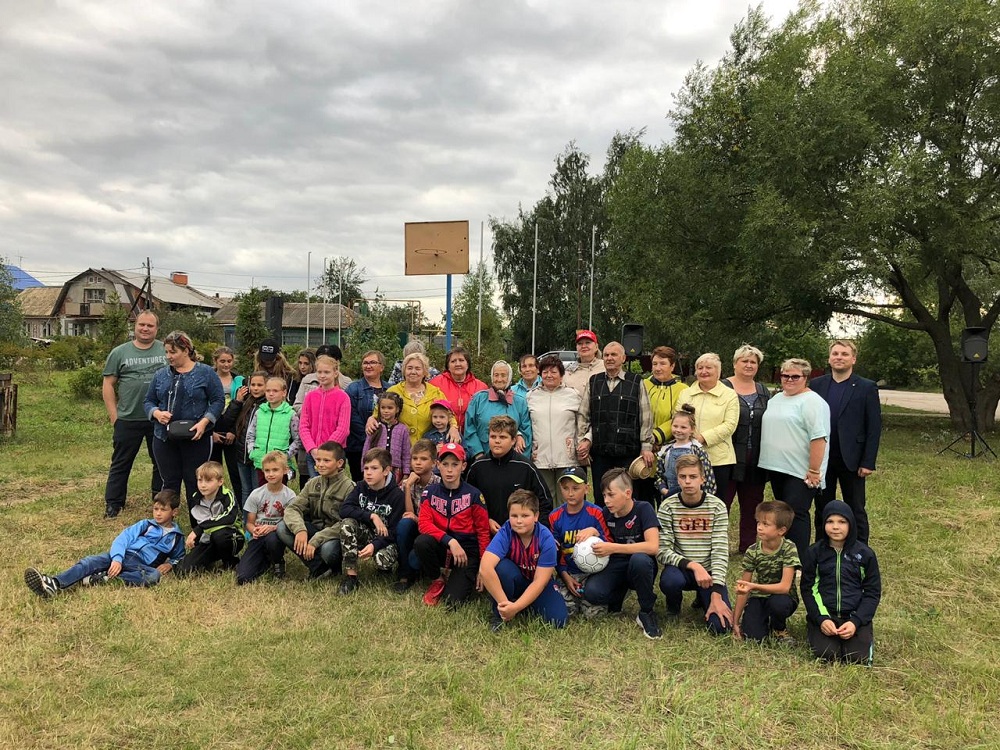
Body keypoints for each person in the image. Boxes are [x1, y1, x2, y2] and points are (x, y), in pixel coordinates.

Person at [25, 489, 184, 596]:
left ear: (174, 512)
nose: (158, 513)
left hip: (140, 565)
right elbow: (123, 539)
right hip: (122, 555)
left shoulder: (176, 537)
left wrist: (170, 564)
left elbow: (180, 557)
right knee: (90, 561)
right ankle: (54, 583)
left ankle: (105, 578)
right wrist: (117, 558)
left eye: (163, 510)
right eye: (155, 509)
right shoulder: (145, 525)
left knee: (153, 576)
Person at [143, 330, 225, 520]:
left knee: (194, 481)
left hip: (197, 438)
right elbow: (148, 401)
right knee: (169, 481)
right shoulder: (161, 374)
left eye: (173, 352)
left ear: (186, 350)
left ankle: (198, 525)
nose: (168, 357)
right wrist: (156, 413)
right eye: (166, 352)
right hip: (164, 437)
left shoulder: (205, 373)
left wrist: (205, 422)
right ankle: (165, 525)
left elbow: (218, 400)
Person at [810, 340, 882, 544]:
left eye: (844, 354)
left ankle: (860, 550)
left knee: (856, 507)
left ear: (853, 359)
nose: (839, 357)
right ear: (829, 358)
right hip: (823, 457)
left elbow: (873, 427)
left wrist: (868, 461)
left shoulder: (866, 387)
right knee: (822, 506)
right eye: (835, 353)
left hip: (853, 458)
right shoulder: (817, 385)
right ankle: (823, 549)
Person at [758, 358, 831, 557]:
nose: (789, 379)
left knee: (797, 514)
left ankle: (799, 560)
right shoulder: (776, 399)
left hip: (801, 470)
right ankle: (784, 554)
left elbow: (819, 437)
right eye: (785, 375)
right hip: (777, 468)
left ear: (805, 378)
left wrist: (814, 470)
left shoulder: (813, 401)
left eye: (795, 376)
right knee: (783, 514)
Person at [656, 455, 734, 636]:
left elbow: (720, 550)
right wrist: (693, 565)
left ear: (703, 478)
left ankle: (704, 596)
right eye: (683, 477)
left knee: (721, 628)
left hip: (709, 572)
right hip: (681, 568)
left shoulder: (717, 506)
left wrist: (716, 591)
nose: (688, 482)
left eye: (693, 477)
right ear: (677, 478)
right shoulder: (668, 506)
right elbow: (662, 550)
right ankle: (673, 607)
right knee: (670, 581)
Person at [581, 468, 662, 640]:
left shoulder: (643, 509)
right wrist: (592, 530)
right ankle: (618, 594)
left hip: (641, 565)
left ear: (627, 493)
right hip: (616, 565)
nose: (606, 501)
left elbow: (653, 547)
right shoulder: (606, 513)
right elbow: (600, 535)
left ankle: (646, 612)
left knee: (639, 560)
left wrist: (613, 547)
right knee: (592, 593)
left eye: (611, 495)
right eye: (604, 496)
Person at [101, 310, 166, 518]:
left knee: (161, 462)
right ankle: (114, 503)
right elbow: (108, 384)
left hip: (158, 417)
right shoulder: (119, 353)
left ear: (157, 328)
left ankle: (161, 502)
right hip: (128, 418)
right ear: (134, 326)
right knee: (121, 463)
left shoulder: (166, 350)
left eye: (150, 326)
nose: (145, 329)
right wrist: (114, 417)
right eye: (142, 325)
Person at [800, 500, 881, 664]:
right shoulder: (814, 553)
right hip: (826, 615)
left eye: (842, 522)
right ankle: (816, 628)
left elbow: (871, 593)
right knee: (827, 655)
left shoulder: (865, 554)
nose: (835, 527)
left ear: (851, 524)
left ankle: (861, 633)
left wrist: (856, 621)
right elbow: (808, 589)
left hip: (854, 616)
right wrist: (821, 618)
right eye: (830, 521)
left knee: (857, 658)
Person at [414, 442, 491, 607]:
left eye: (455, 465)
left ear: (463, 466)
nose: (449, 470)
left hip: (466, 553)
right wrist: (450, 541)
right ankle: (438, 579)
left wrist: (484, 569)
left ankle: (458, 577)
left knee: (453, 603)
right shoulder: (430, 492)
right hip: (444, 546)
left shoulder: (474, 495)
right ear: (438, 465)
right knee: (422, 541)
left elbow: (483, 532)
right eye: (445, 464)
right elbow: (423, 524)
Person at [480, 489, 568, 632]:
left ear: (536, 516)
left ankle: (522, 604)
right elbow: (485, 569)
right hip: (516, 579)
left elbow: (540, 582)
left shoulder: (546, 539)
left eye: (525, 515)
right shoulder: (506, 531)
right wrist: (505, 606)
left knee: (558, 621)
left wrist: (516, 608)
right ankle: (499, 615)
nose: (519, 521)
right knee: (501, 569)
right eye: (514, 515)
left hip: (537, 583)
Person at [585, 341, 655, 502]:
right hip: (600, 452)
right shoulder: (593, 381)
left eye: (614, 355)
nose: (609, 358)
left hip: (628, 452)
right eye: (606, 355)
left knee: (628, 496)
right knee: (601, 496)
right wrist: (584, 441)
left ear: (623, 358)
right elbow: (584, 414)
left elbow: (645, 417)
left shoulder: (636, 382)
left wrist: (646, 446)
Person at [276, 441, 354, 579]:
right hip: (314, 530)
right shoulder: (313, 482)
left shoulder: (349, 488)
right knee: (282, 527)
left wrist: (317, 539)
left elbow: (346, 523)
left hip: (334, 536)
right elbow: (293, 508)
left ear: (340, 463)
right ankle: (318, 568)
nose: (320, 464)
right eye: (318, 460)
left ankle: (334, 567)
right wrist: (300, 530)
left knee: (328, 550)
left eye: (326, 460)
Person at [721, 344, 771, 553]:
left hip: (755, 456)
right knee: (722, 503)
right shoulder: (722, 387)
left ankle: (748, 546)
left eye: (753, 362)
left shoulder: (763, 391)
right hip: (728, 455)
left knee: (752, 504)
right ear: (734, 364)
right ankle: (718, 546)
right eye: (745, 361)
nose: (749, 365)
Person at [337, 448, 406, 594]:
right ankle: (351, 577)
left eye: (374, 468)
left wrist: (375, 546)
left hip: (386, 539)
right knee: (347, 523)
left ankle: (384, 570)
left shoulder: (397, 495)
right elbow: (344, 510)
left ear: (386, 471)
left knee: (382, 560)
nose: (368, 472)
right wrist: (372, 516)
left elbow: (394, 531)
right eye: (366, 468)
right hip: (366, 532)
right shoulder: (361, 486)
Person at [466, 415, 552, 532]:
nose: (497, 441)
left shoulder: (526, 467)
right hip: (486, 533)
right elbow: (467, 502)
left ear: (513, 440)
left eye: (502, 437)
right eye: (493, 436)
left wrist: (537, 534)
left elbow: (544, 503)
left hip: (521, 534)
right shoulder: (477, 467)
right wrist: (486, 520)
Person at [732, 500, 799, 644]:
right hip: (760, 597)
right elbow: (744, 588)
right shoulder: (752, 551)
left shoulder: (789, 548)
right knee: (753, 638)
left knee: (778, 604)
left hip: (783, 597)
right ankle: (761, 621)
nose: (759, 528)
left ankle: (779, 629)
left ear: (781, 530)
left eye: (766, 524)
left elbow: (784, 587)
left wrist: (754, 586)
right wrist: (735, 622)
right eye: (758, 523)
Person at [526, 355, 591, 505]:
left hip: (567, 458)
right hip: (540, 459)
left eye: (554, 372)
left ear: (562, 375)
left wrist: (587, 439)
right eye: (545, 372)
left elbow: (587, 420)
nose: (549, 375)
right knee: (545, 501)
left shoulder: (573, 395)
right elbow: (524, 424)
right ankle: (548, 529)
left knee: (568, 500)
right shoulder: (531, 396)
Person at [548, 467, 610, 619]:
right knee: (567, 611)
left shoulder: (596, 513)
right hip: (568, 572)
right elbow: (556, 551)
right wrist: (565, 576)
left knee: (593, 615)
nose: (570, 493)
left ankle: (593, 596)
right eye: (565, 488)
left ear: (586, 488)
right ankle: (572, 594)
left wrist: (595, 532)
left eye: (575, 488)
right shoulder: (555, 516)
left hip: (593, 573)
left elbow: (609, 542)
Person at [676, 352, 739, 494]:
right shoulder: (686, 394)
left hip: (718, 460)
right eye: (700, 368)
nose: (703, 371)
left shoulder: (729, 395)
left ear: (718, 371)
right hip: (688, 456)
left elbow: (730, 425)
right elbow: (678, 418)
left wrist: (703, 438)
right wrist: (688, 437)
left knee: (715, 501)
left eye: (708, 368)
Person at [236, 451, 296, 585]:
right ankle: (265, 561)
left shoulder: (290, 496)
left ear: (285, 470)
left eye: (275, 470)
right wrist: (254, 531)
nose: (271, 474)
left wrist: (273, 528)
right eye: (267, 470)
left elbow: (290, 522)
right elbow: (249, 523)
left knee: (273, 539)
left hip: (276, 535)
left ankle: (278, 561)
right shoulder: (256, 494)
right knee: (243, 577)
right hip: (258, 537)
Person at [174, 461, 244, 576]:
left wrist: (199, 529)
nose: (203, 485)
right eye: (200, 480)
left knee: (219, 535)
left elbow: (229, 518)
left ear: (220, 482)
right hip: (207, 540)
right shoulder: (195, 498)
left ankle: (230, 561)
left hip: (231, 537)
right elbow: (196, 522)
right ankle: (209, 558)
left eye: (208, 480)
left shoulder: (227, 496)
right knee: (183, 570)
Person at [373, 352, 458, 447]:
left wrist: (454, 428)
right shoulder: (393, 391)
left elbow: (449, 414)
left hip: (427, 449)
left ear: (425, 372)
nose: (413, 372)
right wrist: (371, 419)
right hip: (398, 446)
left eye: (418, 369)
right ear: (404, 371)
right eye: (409, 368)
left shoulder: (435, 393)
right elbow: (378, 413)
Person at [214, 371, 267, 508]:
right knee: (245, 490)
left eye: (260, 385)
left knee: (257, 489)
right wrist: (237, 401)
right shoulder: (246, 401)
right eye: (253, 384)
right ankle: (245, 520)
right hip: (241, 453)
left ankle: (256, 519)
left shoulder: (267, 405)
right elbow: (231, 420)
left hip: (257, 455)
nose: (255, 388)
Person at [393, 439, 439, 593]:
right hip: (414, 529)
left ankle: (425, 568)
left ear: (433, 463)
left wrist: (417, 519)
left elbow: (437, 521)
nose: (418, 463)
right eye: (415, 459)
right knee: (404, 524)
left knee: (416, 560)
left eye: (424, 459)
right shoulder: (407, 483)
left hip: (431, 534)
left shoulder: (439, 484)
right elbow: (407, 514)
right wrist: (407, 487)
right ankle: (405, 574)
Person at [463, 360, 533, 461]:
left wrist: (519, 461)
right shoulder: (478, 399)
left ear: (509, 378)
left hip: (512, 462)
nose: (499, 379)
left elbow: (526, 433)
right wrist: (478, 454)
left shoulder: (519, 402)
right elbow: (469, 429)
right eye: (496, 375)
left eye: (503, 375)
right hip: (483, 459)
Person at [299, 355, 351, 478]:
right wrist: (312, 449)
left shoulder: (343, 397)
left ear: (335, 373)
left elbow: (343, 429)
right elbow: (303, 426)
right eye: (319, 372)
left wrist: (325, 451)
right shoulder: (310, 397)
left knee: (334, 490)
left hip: (334, 454)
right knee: (316, 489)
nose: (322, 375)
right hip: (313, 453)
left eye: (327, 372)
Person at [246, 376, 301, 487]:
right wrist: (252, 451)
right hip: (261, 462)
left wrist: (286, 455)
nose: (271, 394)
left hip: (279, 464)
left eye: (275, 391)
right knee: (263, 494)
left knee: (279, 495)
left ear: (284, 392)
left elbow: (298, 439)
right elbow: (250, 434)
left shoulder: (290, 414)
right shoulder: (259, 412)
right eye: (268, 391)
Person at [654, 404, 717, 500]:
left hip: (694, 497)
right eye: (675, 426)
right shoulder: (665, 450)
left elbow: (707, 477)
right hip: (670, 496)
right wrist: (663, 490)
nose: (678, 430)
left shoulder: (697, 450)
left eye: (683, 427)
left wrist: (705, 498)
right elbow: (659, 474)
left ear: (692, 430)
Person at [344, 350, 388, 480]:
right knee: (361, 481)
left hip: (384, 446)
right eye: (365, 363)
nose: (368, 366)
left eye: (372, 362)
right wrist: (370, 440)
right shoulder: (353, 388)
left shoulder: (390, 389)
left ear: (382, 367)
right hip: (358, 446)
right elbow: (352, 417)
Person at [210, 345, 245, 501]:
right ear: (216, 361)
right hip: (212, 430)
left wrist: (234, 431)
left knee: (235, 471)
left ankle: (240, 504)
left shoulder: (239, 380)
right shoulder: (208, 378)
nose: (226, 364)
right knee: (213, 471)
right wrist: (210, 432)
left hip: (231, 430)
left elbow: (243, 409)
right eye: (222, 361)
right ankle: (215, 501)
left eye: (229, 361)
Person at [429, 345, 487, 431]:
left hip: (471, 438)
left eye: (461, 360)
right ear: (448, 366)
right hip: (443, 436)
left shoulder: (481, 387)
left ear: (468, 364)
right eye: (453, 361)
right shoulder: (435, 384)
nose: (458, 364)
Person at [362, 392, 411, 484]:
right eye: (383, 408)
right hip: (376, 468)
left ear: (397, 409)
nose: (386, 411)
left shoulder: (402, 429)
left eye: (390, 408)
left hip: (395, 470)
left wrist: (406, 473)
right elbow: (366, 449)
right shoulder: (374, 426)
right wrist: (364, 468)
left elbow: (406, 453)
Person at [645, 346, 686, 448]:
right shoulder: (642, 385)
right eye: (654, 364)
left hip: (670, 446)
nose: (658, 368)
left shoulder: (683, 390)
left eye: (663, 364)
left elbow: (680, 418)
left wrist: (656, 436)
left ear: (672, 366)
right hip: (641, 445)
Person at [292, 344, 352, 411]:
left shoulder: (347, 383)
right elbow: (297, 406)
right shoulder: (307, 379)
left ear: (337, 362)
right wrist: (311, 414)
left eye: (327, 360)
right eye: (320, 359)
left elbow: (348, 409)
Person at [288, 348, 316, 484]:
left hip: (312, 426)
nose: (302, 366)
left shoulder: (315, 382)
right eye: (300, 363)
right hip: (297, 426)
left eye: (306, 363)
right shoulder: (295, 380)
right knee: (303, 467)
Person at [563, 329, 605, 398]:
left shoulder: (605, 368)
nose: (583, 346)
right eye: (580, 343)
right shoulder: (568, 372)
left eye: (588, 342)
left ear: (596, 347)